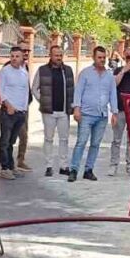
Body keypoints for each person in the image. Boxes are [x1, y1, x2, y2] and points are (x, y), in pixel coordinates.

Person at [69, 45, 118, 182]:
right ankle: (74, 169)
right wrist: (76, 108)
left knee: (95, 144)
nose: (102, 60)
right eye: (99, 57)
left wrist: (114, 112)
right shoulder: (85, 73)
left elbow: (113, 95)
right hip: (86, 114)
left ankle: (88, 170)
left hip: (102, 116)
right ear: (93, 58)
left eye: (104, 57)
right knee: (81, 142)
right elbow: (78, 91)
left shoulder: (109, 76)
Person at [36, 44, 75, 177]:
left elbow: (72, 89)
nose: (58, 58)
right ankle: (49, 166)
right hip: (49, 111)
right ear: (50, 56)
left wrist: (72, 106)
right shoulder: (42, 70)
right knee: (48, 138)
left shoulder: (68, 70)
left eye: (60, 55)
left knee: (64, 139)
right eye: (56, 55)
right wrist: (42, 100)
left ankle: (63, 166)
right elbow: (35, 88)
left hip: (64, 111)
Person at [0, 46, 31, 179]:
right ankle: (4, 168)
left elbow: (25, 92)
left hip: (20, 113)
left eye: (17, 56)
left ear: (22, 58)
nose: (14, 59)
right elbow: (0, 90)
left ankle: (11, 166)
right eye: (12, 56)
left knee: (12, 141)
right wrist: (8, 105)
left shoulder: (24, 72)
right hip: (8, 112)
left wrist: (24, 109)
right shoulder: (5, 71)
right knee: (5, 140)